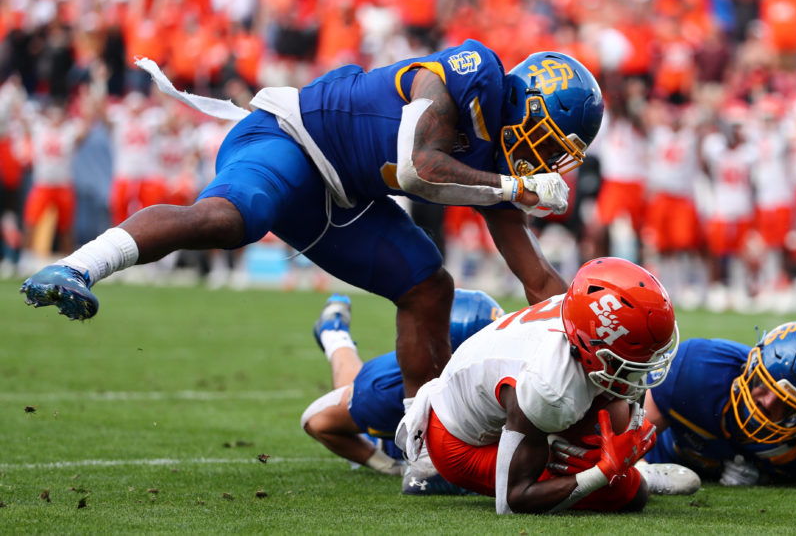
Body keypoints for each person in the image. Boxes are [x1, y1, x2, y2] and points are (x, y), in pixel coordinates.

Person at [20, 40, 604, 397]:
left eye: (560, 155)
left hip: (344, 202)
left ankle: (427, 445)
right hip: (292, 138)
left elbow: (539, 283)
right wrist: (515, 185)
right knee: (232, 219)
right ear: (529, 103)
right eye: (551, 141)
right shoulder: (472, 71)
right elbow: (417, 169)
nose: (549, 162)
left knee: (429, 285)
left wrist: (597, 349)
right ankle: (77, 266)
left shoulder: (499, 171)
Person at [395, 257, 698, 514]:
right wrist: (603, 472)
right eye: (636, 352)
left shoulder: (579, 318)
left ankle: (617, 465)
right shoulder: (549, 387)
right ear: (594, 345)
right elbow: (513, 499)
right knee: (627, 492)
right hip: (459, 442)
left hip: (503, 404)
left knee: (614, 415)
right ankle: (636, 473)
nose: (647, 363)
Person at [301, 288, 505, 477]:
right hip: (391, 431)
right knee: (351, 382)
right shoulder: (385, 390)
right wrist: (390, 466)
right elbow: (317, 422)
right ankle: (333, 332)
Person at [643, 320, 796, 485]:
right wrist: (646, 474)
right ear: (752, 366)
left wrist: (765, 478)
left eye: (788, 404)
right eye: (763, 382)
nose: (767, 402)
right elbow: (629, 438)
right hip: (664, 454)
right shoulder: (695, 371)